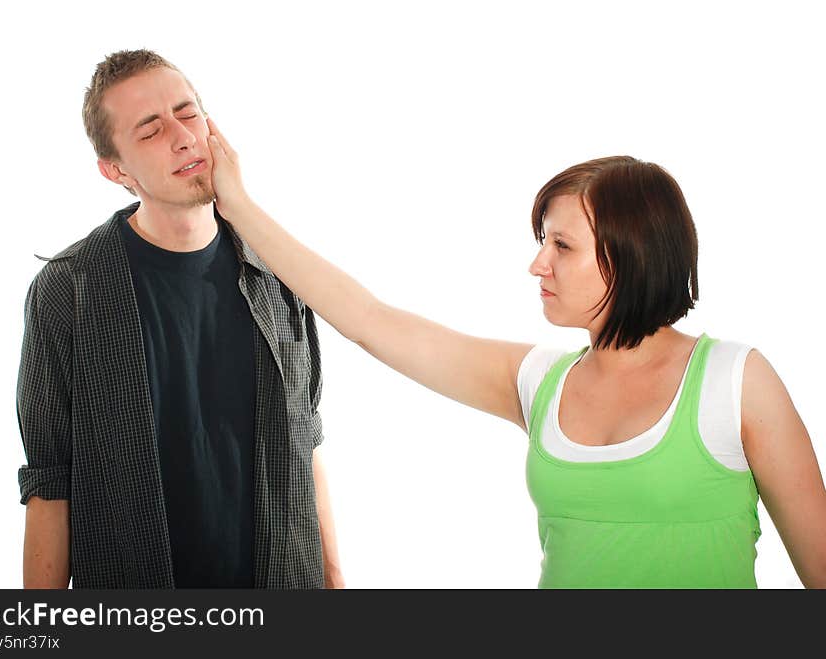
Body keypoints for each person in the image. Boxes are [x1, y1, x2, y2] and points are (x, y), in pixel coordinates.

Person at [204, 123, 826, 587]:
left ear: (629, 255)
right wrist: (237, 205)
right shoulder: (539, 383)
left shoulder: (735, 380)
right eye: (541, 241)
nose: (538, 263)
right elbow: (370, 322)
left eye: (562, 245)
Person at [16, 49, 343, 589]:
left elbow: (306, 444)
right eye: (150, 130)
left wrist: (337, 583)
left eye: (187, 112)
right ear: (114, 169)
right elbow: (50, 485)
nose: (183, 136)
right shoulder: (68, 290)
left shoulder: (279, 271)